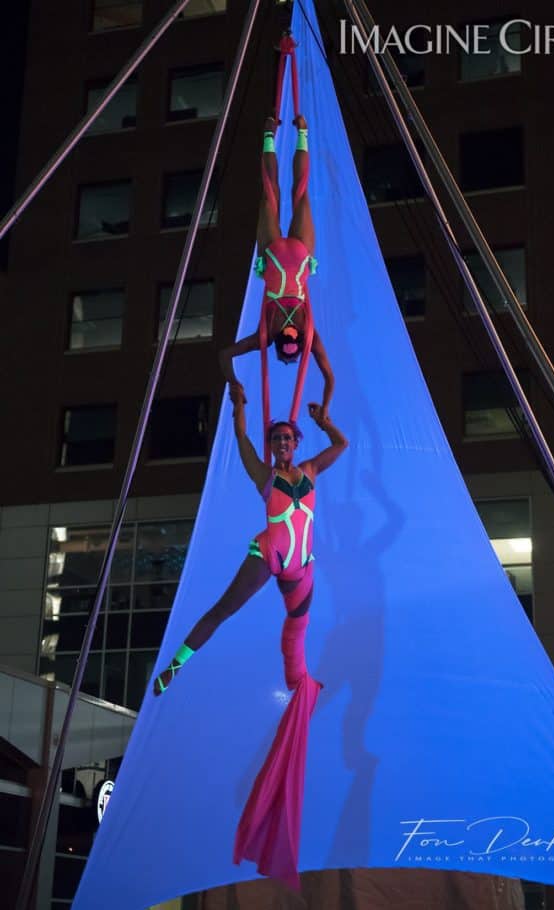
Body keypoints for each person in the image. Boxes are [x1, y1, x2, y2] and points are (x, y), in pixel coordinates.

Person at [153, 384, 347, 695]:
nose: (281, 442)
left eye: (287, 437)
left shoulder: (310, 469)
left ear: (296, 442)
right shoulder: (264, 475)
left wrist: (323, 422)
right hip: (270, 555)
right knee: (223, 609)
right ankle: (174, 668)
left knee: (299, 623)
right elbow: (242, 439)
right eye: (276, 438)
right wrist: (238, 407)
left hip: (301, 567)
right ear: (270, 446)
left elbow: (341, 443)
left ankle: (297, 682)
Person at [219, 113, 334, 423]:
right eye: (293, 341)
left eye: (287, 340)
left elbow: (225, 354)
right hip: (295, 258)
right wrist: (325, 409)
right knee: (297, 191)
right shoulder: (304, 337)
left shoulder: (265, 336)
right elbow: (329, 375)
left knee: (272, 192)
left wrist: (234, 383)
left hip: (276, 258)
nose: (291, 334)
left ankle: (271, 134)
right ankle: (301, 134)